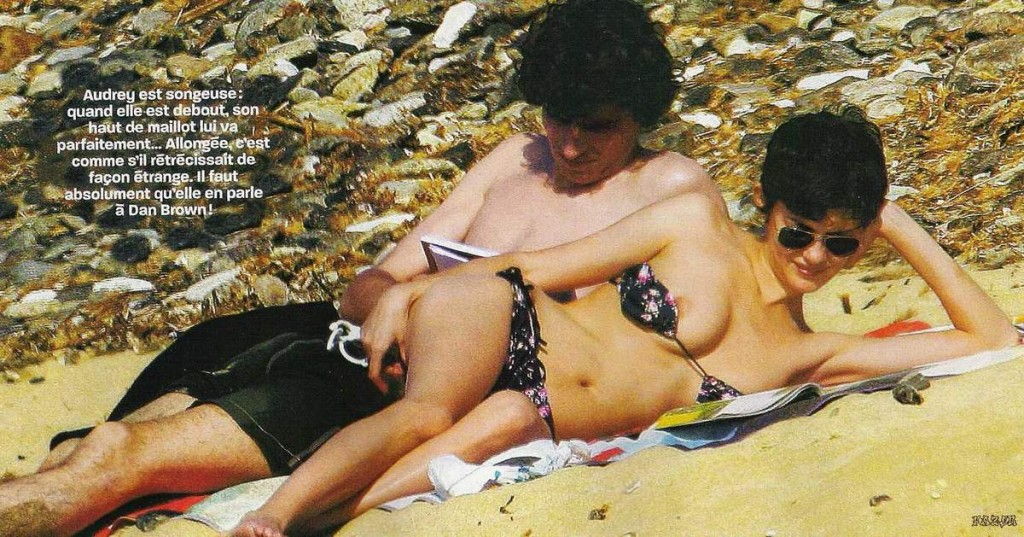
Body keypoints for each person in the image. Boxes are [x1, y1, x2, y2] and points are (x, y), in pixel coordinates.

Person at [0, 1, 723, 536]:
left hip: (399, 391)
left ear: (641, 113)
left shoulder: (668, 191)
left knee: (118, 460)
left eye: (597, 126)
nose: (569, 146)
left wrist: (426, 311)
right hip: (349, 342)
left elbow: (678, 342)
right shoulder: (516, 159)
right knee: (99, 442)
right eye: (558, 118)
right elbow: (372, 281)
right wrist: (392, 303)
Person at [229, 107, 1019, 536]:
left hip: (536, 411)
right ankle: (274, 512)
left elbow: (991, 341)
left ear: (864, 239)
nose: (814, 256)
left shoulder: (808, 353)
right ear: (766, 206)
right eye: (797, 231)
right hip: (512, 319)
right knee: (427, 413)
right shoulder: (693, 225)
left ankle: (299, 522)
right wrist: (406, 293)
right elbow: (536, 266)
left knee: (465, 441)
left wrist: (898, 221)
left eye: (841, 242)